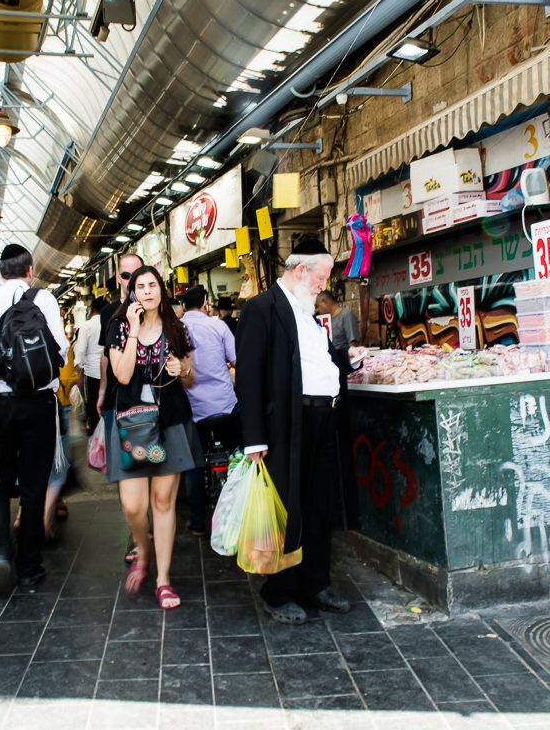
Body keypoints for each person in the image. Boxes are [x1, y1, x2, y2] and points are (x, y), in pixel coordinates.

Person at [235, 238, 365, 625]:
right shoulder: (260, 309)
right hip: (286, 426)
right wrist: (254, 439)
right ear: (299, 271)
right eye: (321, 277)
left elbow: (316, 361)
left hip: (324, 419)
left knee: (318, 505)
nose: (323, 285)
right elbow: (250, 378)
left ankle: (315, 584)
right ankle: (279, 592)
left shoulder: (307, 313)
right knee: (286, 510)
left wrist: (347, 359)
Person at [0, 244, 69, 594]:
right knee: (35, 486)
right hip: (37, 403)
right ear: (30, 270)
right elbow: (61, 352)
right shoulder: (45, 300)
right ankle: (30, 566)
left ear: (1, 271)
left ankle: (0, 553)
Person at [106, 266, 202, 610]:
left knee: (163, 503)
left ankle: (163, 579)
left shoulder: (177, 327)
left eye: (152, 285)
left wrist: (183, 370)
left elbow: (191, 378)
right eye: (140, 286)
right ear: (133, 292)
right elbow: (122, 374)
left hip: (171, 422)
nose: (147, 291)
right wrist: (132, 331)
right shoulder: (119, 327)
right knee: (134, 505)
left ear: (161, 290)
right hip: (134, 424)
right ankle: (143, 550)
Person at [179, 285, 240, 536]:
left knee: (194, 465)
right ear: (206, 303)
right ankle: (239, 509)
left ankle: (196, 522)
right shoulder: (219, 326)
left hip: (193, 411)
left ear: (183, 306)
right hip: (225, 406)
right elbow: (236, 360)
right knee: (240, 453)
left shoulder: (176, 328)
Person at [97, 254, 145, 422]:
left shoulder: (154, 307)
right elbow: (105, 355)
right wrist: (102, 391)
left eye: (137, 273)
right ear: (119, 278)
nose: (131, 280)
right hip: (116, 393)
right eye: (126, 276)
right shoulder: (108, 313)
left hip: (149, 395)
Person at [75, 297, 107, 433]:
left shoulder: (86, 326)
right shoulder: (110, 322)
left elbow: (80, 349)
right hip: (110, 369)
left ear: (91, 310)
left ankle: (95, 433)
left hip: (92, 371)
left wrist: (78, 369)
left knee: (93, 403)